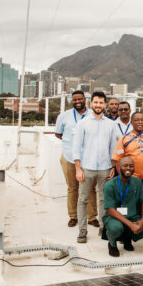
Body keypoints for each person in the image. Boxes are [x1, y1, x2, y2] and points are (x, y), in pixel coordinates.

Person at [73, 91, 117, 243]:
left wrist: (113, 166)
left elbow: (113, 147)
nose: (98, 105)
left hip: (105, 167)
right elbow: (76, 147)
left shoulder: (111, 124)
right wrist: (78, 168)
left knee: (104, 199)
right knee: (83, 199)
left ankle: (103, 228)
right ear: (91, 104)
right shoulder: (82, 123)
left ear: (105, 105)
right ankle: (82, 230)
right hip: (86, 167)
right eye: (95, 102)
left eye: (101, 102)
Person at [54, 90, 98, 228]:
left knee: (90, 188)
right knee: (72, 188)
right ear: (71, 101)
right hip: (69, 157)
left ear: (85, 99)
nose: (77, 101)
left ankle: (91, 217)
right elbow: (58, 133)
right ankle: (73, 216)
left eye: (80, 99)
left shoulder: (93, 115)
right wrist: (72, 143)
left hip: (88, 158)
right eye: (75, 99)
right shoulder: (64, 116)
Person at [102, 157, 143, 257]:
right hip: (114, 217)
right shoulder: (109, 185)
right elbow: (110, 210)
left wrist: (142, 219)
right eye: (125, 166)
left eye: (131, 166)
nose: (128, 168)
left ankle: (127, 238)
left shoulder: (138, 182)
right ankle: (112, 244)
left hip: (133, 216)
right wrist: (130, 225)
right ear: (118, 167)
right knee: (116, 228)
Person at [112, 112, 143, 200]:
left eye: (142, 120)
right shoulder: (124, 139)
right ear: (131, 122)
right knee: (132, 201)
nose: (140, 122)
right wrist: (122, 176)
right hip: (131, 177)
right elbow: (117, 159)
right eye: (136, 120)